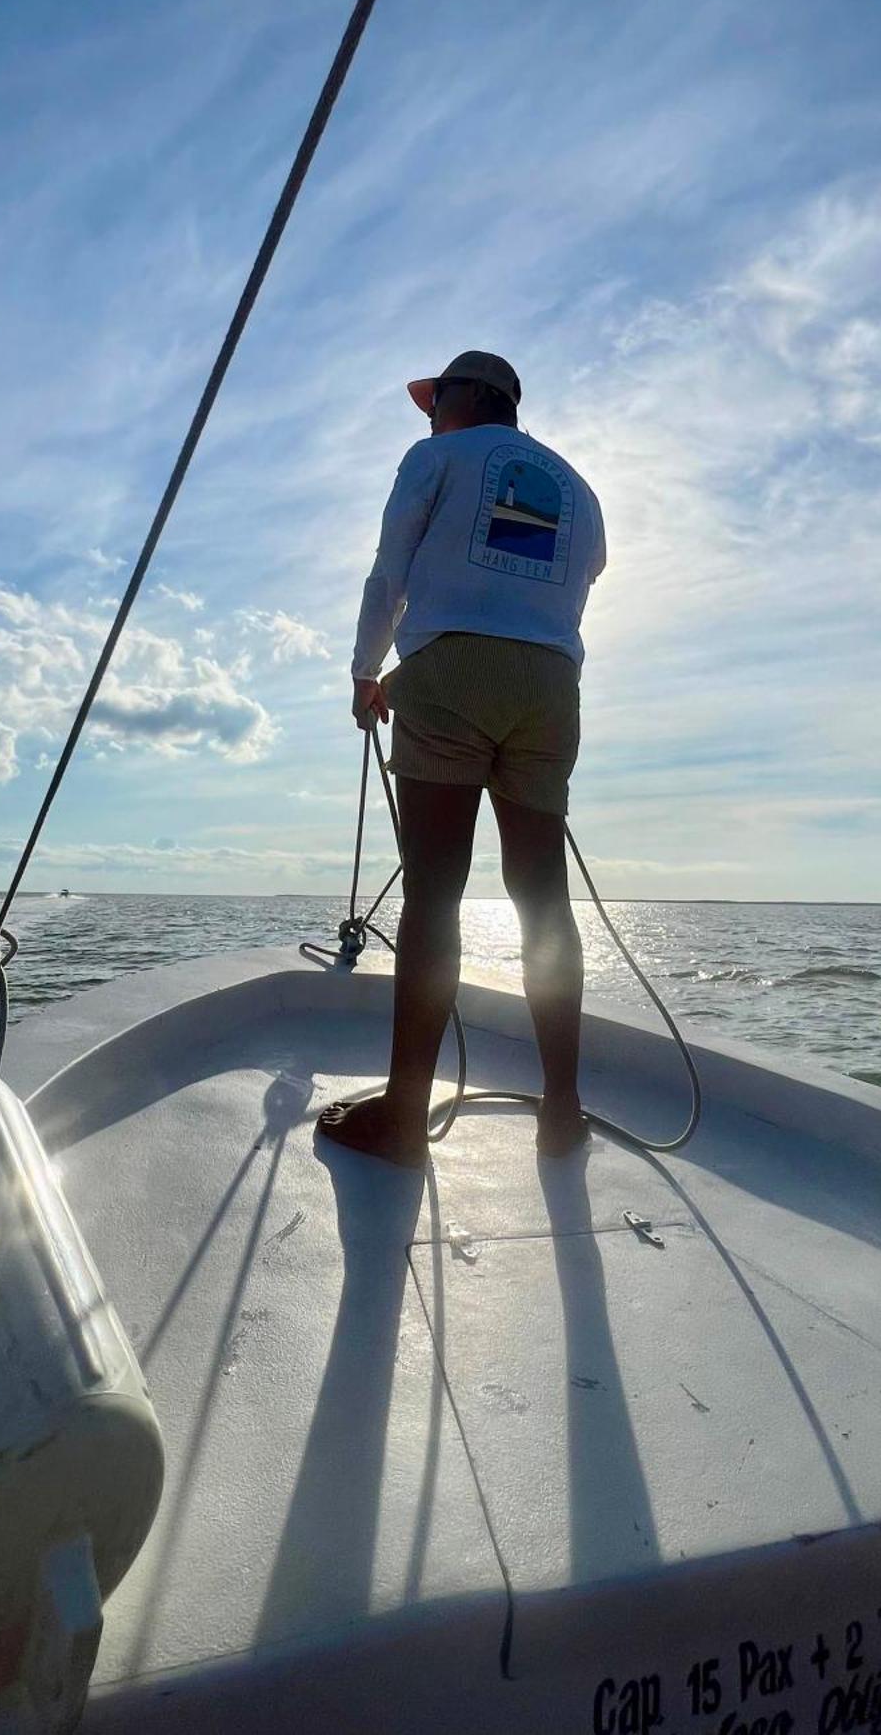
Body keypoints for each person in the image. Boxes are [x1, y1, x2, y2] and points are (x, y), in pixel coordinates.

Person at [316, 350, 607, 1169]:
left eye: (436, 397)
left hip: (451, 671)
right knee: (542, 897)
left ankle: (405, 1116)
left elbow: (390, 573)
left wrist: (366, 671)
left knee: (434, 892)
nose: (429, 413)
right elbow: (587, 576)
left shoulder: (436, 458)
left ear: (473, 396)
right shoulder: (580, 489)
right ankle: (563, 1109)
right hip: (552, 687)